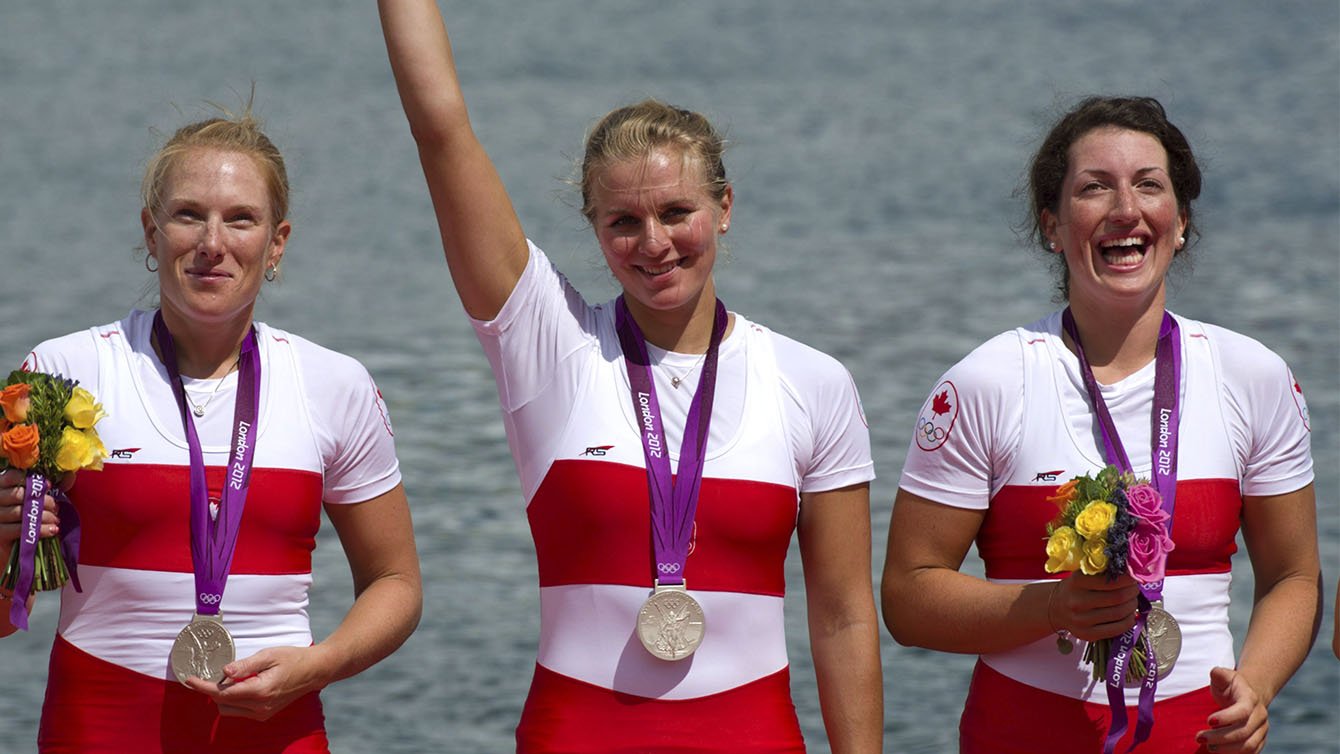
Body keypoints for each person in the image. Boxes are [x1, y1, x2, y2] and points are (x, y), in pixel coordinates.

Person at [378, 1, 882, 751]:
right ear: (592, 226)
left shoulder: (813, 383)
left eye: (678, 211)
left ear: (725, 208)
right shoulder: (553, 350)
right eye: (622, 222)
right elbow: (441, 127)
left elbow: (843, 616)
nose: (654, 244)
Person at [880, 96, 1320, 754]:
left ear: (1180, 224)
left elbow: (1294, 577)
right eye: (1095, 188)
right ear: (1052, 226)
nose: (1124, 209)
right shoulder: (986, 382)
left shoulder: (1252, 377)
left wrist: (1256, 687)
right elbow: (906, 598)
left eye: (1149, 184)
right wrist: (1050, 609)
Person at [0, 106, 423, 752]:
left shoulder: (334, 385)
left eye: (241, 219)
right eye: (189, 214)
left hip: (279, 731)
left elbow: (396, 584)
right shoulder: (62, 374)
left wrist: (322, 664)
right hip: (100, 728)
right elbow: (7, 611)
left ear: (277, 242)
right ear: (151, 230)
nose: (211, 243)